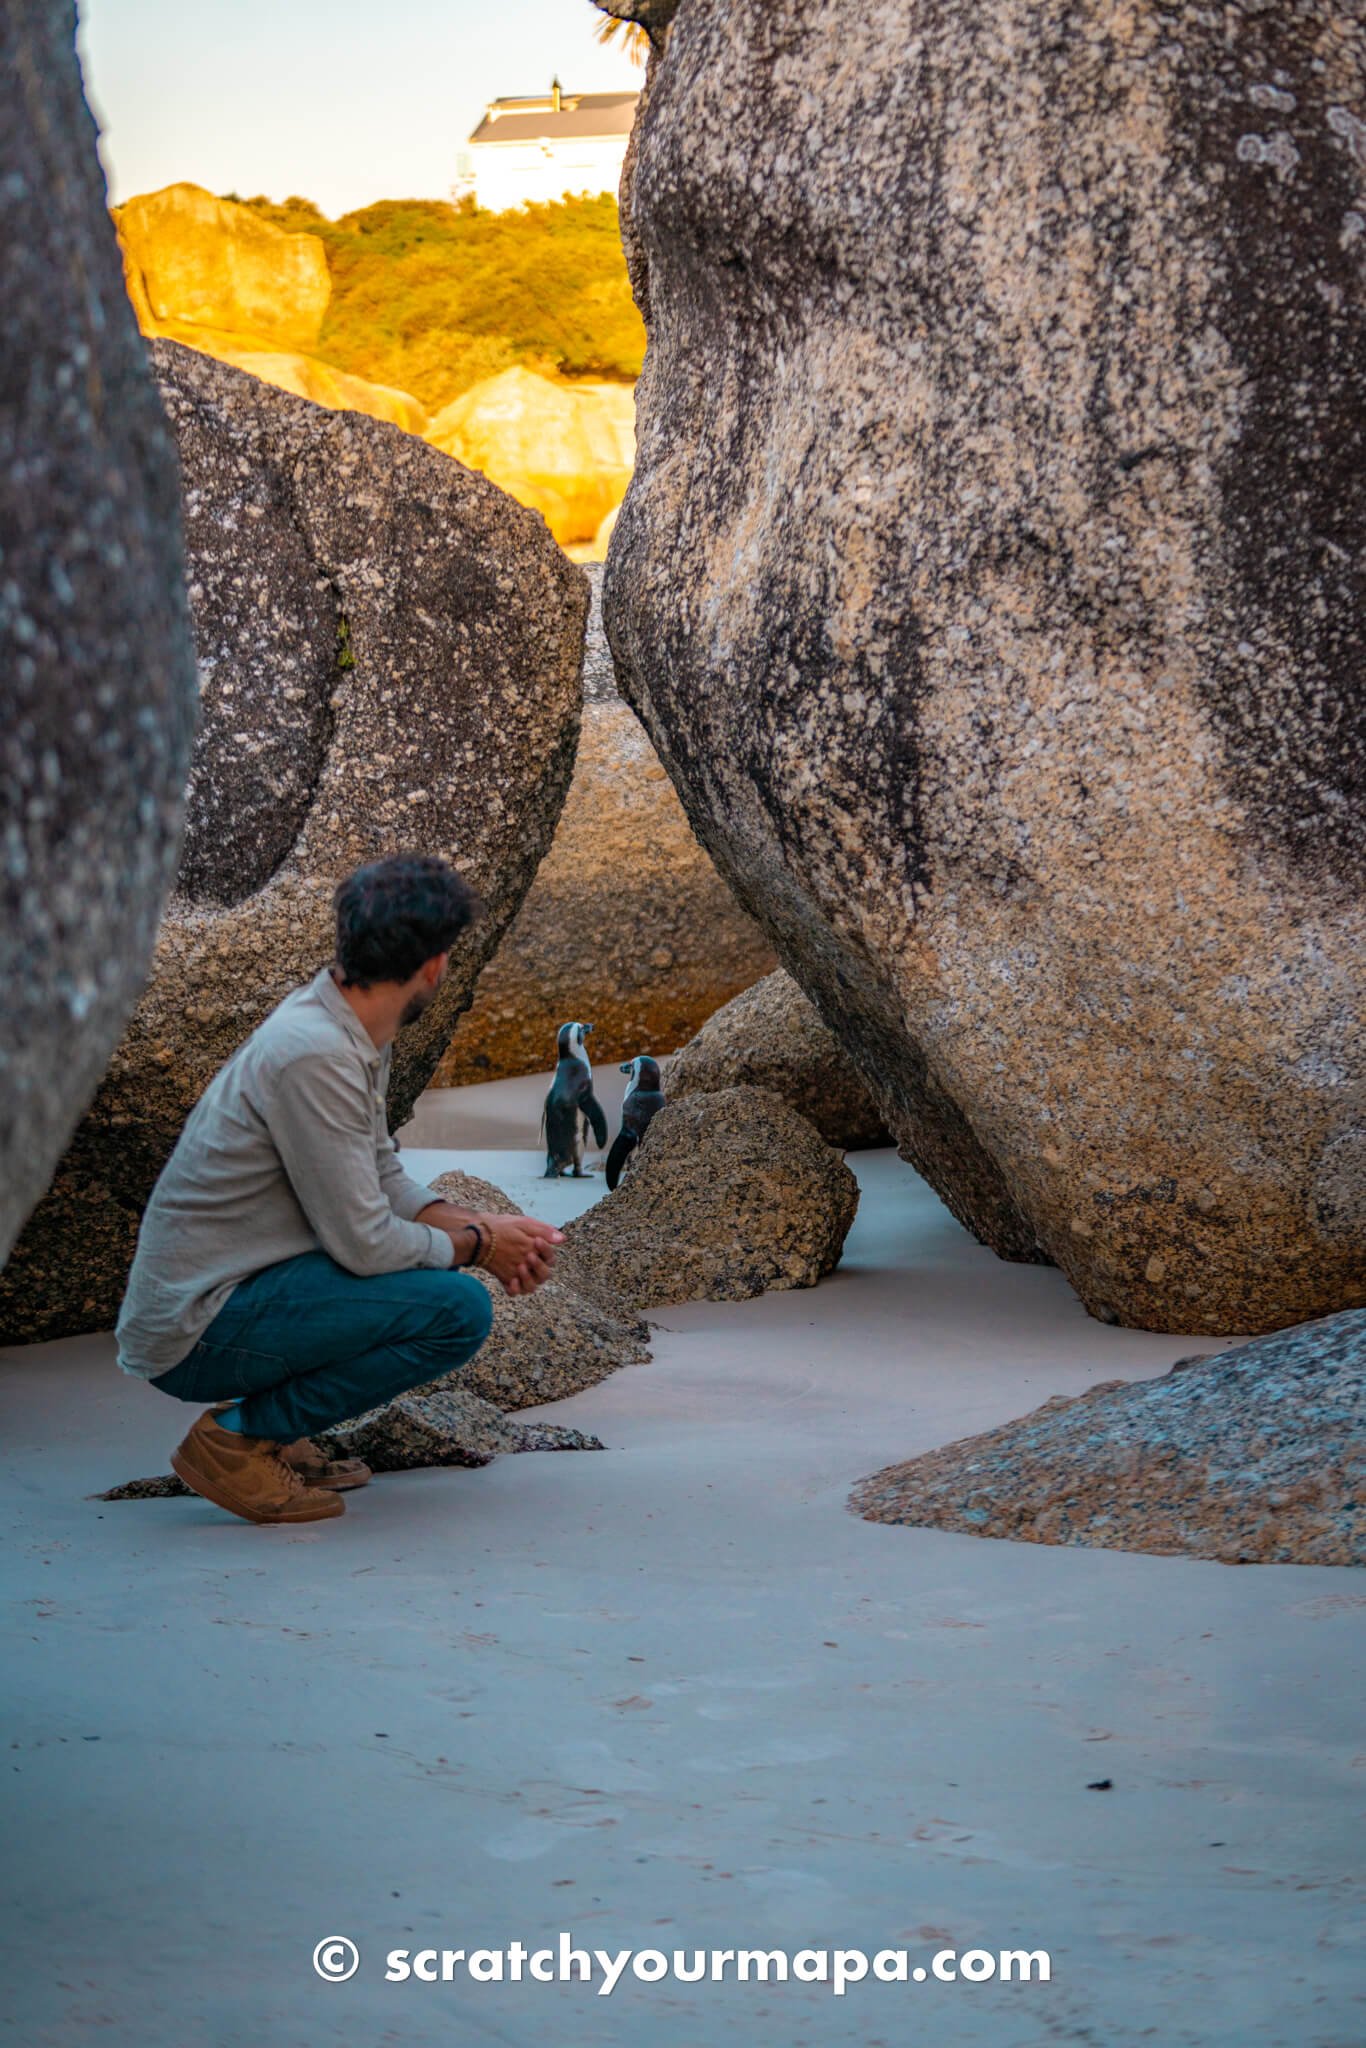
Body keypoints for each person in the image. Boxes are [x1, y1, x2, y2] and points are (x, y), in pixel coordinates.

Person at [115, 854, 564, 1526]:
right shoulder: (315, 1051)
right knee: (454, 1312)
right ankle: (236, 1439)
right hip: (196, 1326)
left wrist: (481, 1223)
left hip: (238, 1288)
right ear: (436, 963)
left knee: (437, 1284)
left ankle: (274, 1433)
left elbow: (378, 1171)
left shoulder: (347, 1027)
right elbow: (364, 1243)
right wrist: (477, 1247)